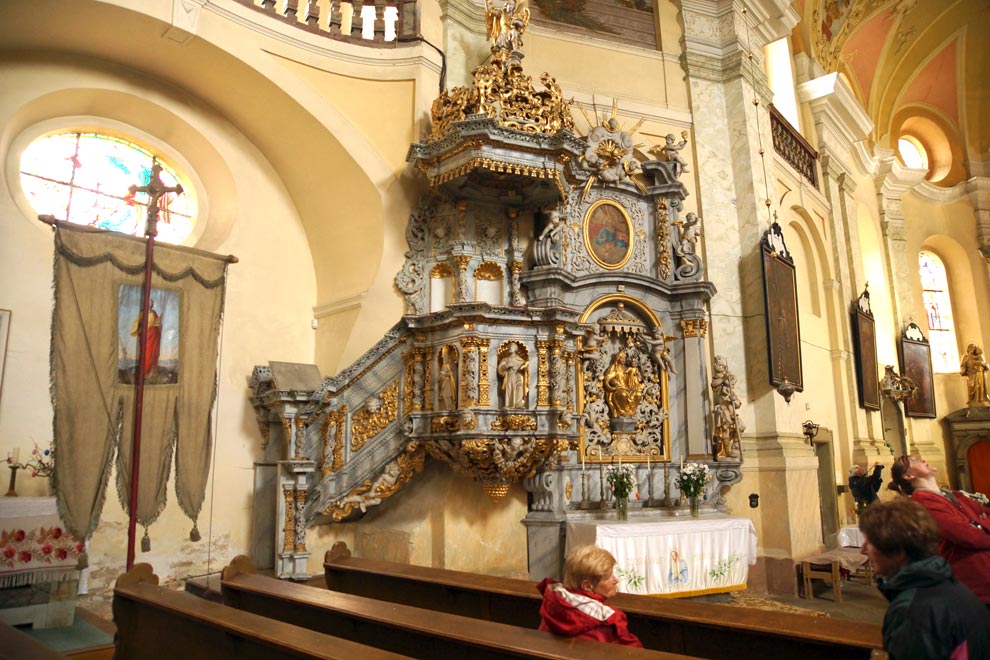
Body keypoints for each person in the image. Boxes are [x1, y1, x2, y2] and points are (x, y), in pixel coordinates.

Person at [858, 498, 990, 659]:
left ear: (897, 550)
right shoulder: (951, 587)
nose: (863, 550)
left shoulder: (913, 612)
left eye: (870, 543)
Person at [889, 455, 990, 606]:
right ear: (908, 475)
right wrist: (978, 523)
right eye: (914, 460)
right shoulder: (923, 501)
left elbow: (985, 515)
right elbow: (970, 537)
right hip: (974, 583)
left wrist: (980, 525)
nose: (923, 459)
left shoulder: (955, 495)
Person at [537, 545, 642, 647]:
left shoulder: (554, 605)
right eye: (608, 577)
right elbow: (634, 652)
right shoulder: (608, 622)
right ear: (587, 586)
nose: (615, 580)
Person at [130, 298, 161, 379]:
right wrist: (141, 323)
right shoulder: (142, 312)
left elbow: (158, 324)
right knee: (145, 353)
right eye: (148, 302)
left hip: (153, 336)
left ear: (152, 304)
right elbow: (137, 323)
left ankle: (149, 371)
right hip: (144, 336)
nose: (150, 303)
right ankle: (143, 372)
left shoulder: (154, 313)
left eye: (151, 302)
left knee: (152, 353)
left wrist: (157, 325)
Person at [497, 342, 528, 409]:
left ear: (515, 349)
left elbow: (526, 368)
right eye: (509, 347)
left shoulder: (520, 359)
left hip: (519, 375)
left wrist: (524, 369)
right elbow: (500, 369)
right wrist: (506, 366)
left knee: (520, 388)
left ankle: (518, 404)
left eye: (512, 347)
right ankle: (509, 404)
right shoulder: (505, 359)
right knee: (510, 388)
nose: (510, 348)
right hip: (510, 375)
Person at [960, 343, 989, 408]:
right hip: (971, 375)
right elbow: (962, 366)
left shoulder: (979, 356)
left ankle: (981, 401)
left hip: (979, 374)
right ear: (968, 349)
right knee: (972, 389)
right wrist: (963, 371)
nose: (972, 349)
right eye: (971, 347)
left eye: (973, 348)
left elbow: (986, 365)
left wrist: (981, 364)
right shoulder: (965, 357)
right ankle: (972, 401)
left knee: (980, 387)